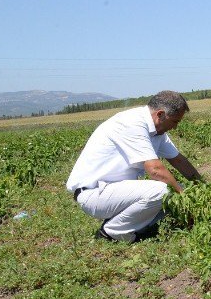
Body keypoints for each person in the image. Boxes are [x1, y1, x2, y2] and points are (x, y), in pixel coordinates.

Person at [66, 90, 202, 242]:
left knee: (177, 188)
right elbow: (155, 170)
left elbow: (178, 161)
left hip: (114, 191)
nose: (175, 127)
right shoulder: (131, 123)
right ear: (160, 114)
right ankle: (111, 232)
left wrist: (202, 189)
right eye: (175, 121)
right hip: (94, 193)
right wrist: (184, 199)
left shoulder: (157, 131)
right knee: (164, 191)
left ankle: (136, 226)